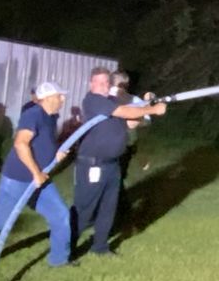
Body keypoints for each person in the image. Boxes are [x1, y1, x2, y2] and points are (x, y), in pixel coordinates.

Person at [0, 82, 75, 275]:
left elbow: (42, 144)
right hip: (18, 180)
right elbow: (20, 144)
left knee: (61, 216)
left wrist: (56, 155)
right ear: (49, 97)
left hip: (40, 181)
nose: (63, 99)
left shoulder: (51, 117)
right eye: (60, 96)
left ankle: (59, 261)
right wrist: (36, 173)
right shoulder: (33, 115)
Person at [70, 68, 166, 258]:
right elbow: (122, 111)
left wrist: (147, 110)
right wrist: (153, 109)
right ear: (91, 84)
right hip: (92, 165)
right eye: (100, 82)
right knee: (85, 209)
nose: (105, 86)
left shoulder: (112, 101)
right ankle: (67, 248)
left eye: (107, 82)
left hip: (112, 164)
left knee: (109, 208)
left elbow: (129, 121)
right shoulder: (93, 100)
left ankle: (100, 247)